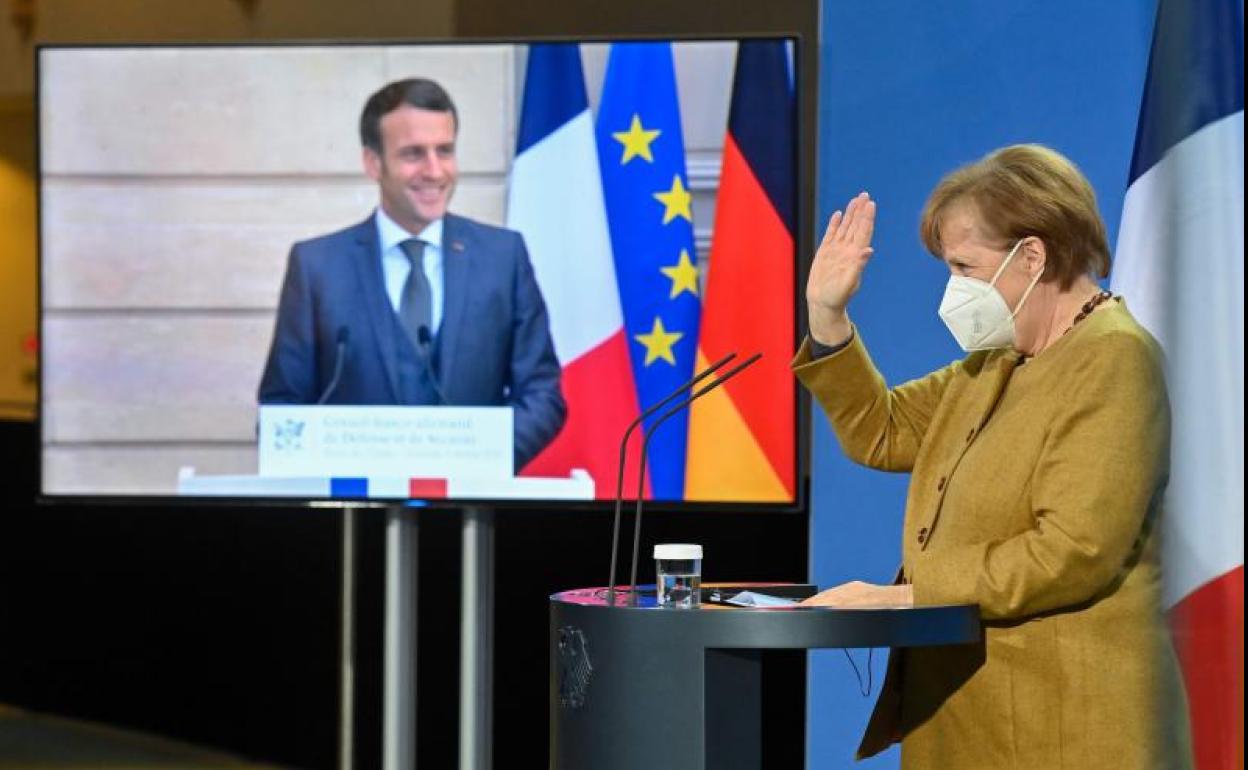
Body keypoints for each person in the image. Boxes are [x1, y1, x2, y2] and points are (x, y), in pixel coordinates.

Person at [794, 145, 1192, 767]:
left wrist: (905, 596)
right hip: (964, 714)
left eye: (964, 267)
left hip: (1062, 728)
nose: (954, 289)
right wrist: (827, 314)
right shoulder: (994, 364)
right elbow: (883, 429)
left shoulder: (1115, 360)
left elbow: (1072, 552)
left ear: (1032, 255)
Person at [258, 78, 566, 470]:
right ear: (373, 163)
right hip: (358, 516)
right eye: (413, 154)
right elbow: (283, 409)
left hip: (472, 514)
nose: (434, 171)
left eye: (445, 151)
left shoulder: (503, 257)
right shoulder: (317, 266)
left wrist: (481, 460)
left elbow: (542, 395)